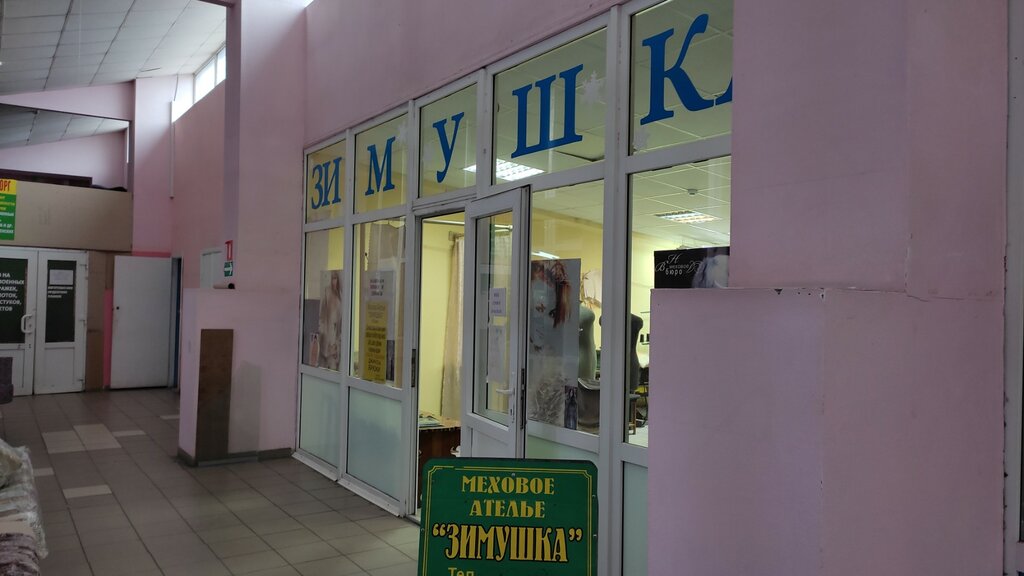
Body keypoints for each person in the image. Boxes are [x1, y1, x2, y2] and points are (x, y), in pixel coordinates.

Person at [527, 260, 575, 427]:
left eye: (552, 313)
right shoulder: (522, 352)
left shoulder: (555, 369)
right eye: (538, 309)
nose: (546, 322)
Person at [318, 270, 342, 370]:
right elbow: (322, 315)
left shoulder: (340, 295)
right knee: (325, 367)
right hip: (327, 336)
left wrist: (337, 342)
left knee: (334, 367)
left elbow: (340, 321)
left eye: (335, 278)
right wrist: (323, 333)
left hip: (336, 337)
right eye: (332, 278)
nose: (334, 281)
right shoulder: (327, 292)